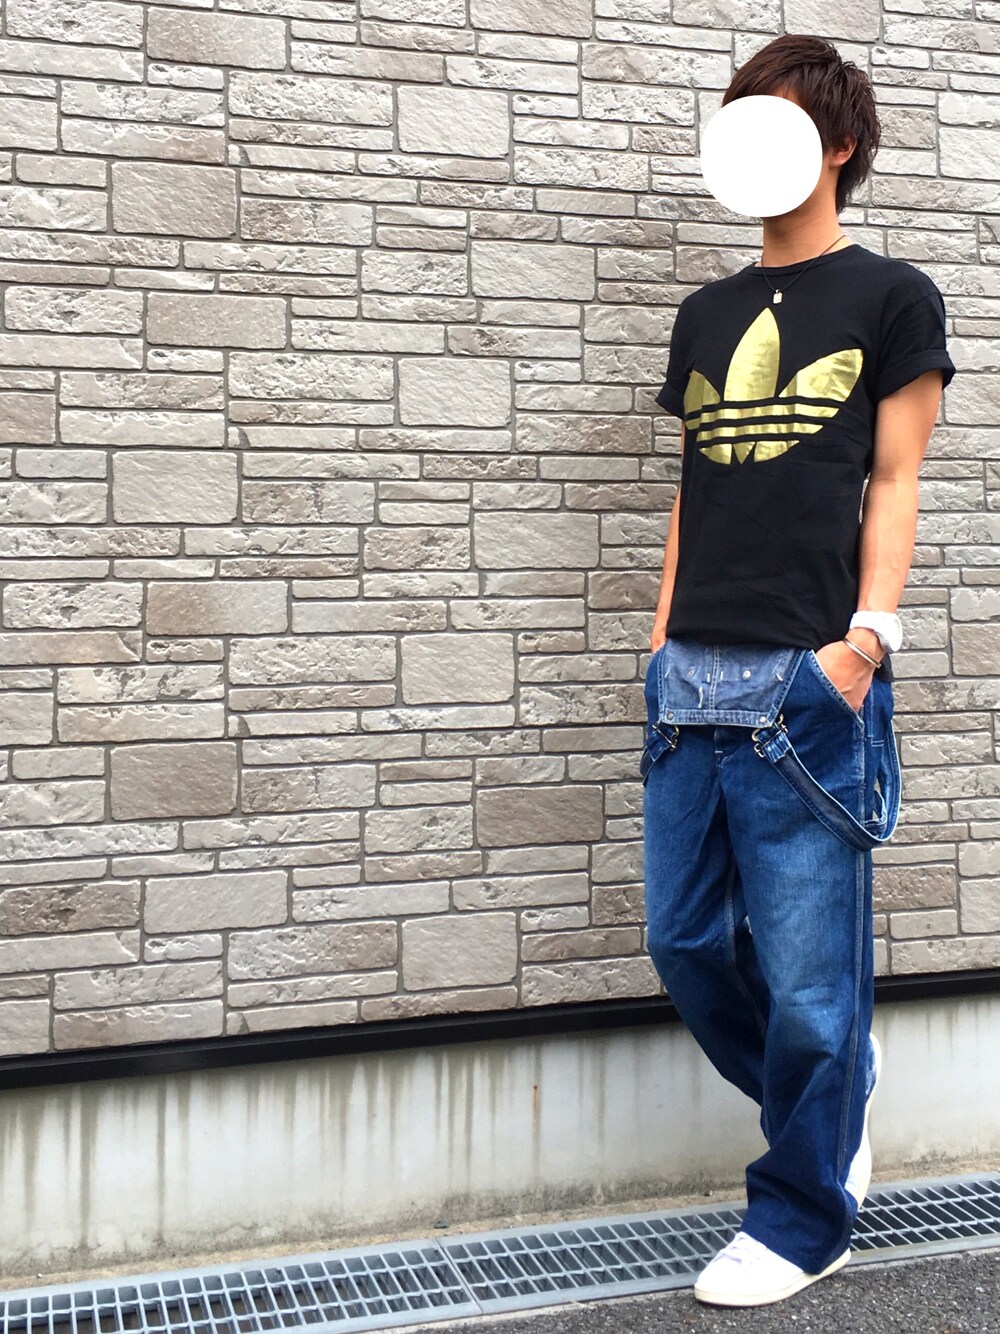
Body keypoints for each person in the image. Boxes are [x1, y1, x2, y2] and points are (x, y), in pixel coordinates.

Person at [641, 34, 956, 1309]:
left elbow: (897, 478)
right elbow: (692, 487)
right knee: (684, 942)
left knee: (814, 987)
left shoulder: (891, 297)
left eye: (772, 119)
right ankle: (828, 1105)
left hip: (807, 682)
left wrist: (865, 640)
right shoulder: (705, 313)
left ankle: (801, 1215)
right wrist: (656, 638)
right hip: (688, 678)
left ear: (837, 145)